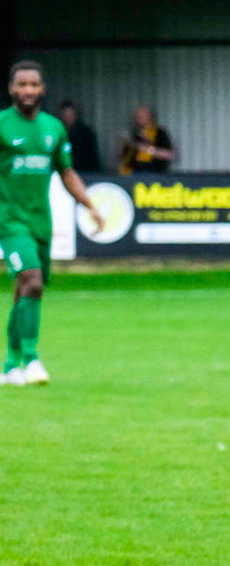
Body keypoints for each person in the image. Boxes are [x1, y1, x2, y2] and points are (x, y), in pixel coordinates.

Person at [1, 62, 102, 387]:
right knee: (31, 281)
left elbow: (67, 172)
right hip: (10, 221)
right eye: (21, 84)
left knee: (26, 291)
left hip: (41, 222)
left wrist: (90, 205)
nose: (27, 90)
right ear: (11, 89)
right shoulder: (2, 125)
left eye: (33, 84)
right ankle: (31, 360)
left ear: (42, 90)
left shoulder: (54, 129)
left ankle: (9, 365)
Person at [117, 105, 173, 173]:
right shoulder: (133, 133)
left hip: (155, 173)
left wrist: (149, 150)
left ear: (149, 116)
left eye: (141, 116)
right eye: (136, 117)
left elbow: (169, 155)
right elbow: (123, 157)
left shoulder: (160, 133)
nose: (138, 119)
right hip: (134, 172)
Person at [56, 100, 100, 173]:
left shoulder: (85, 134)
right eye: (65, 115)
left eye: (70, 115)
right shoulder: (56, 133)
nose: (68, 118)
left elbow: (92, 159)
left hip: (83, 173)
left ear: (75, 115)